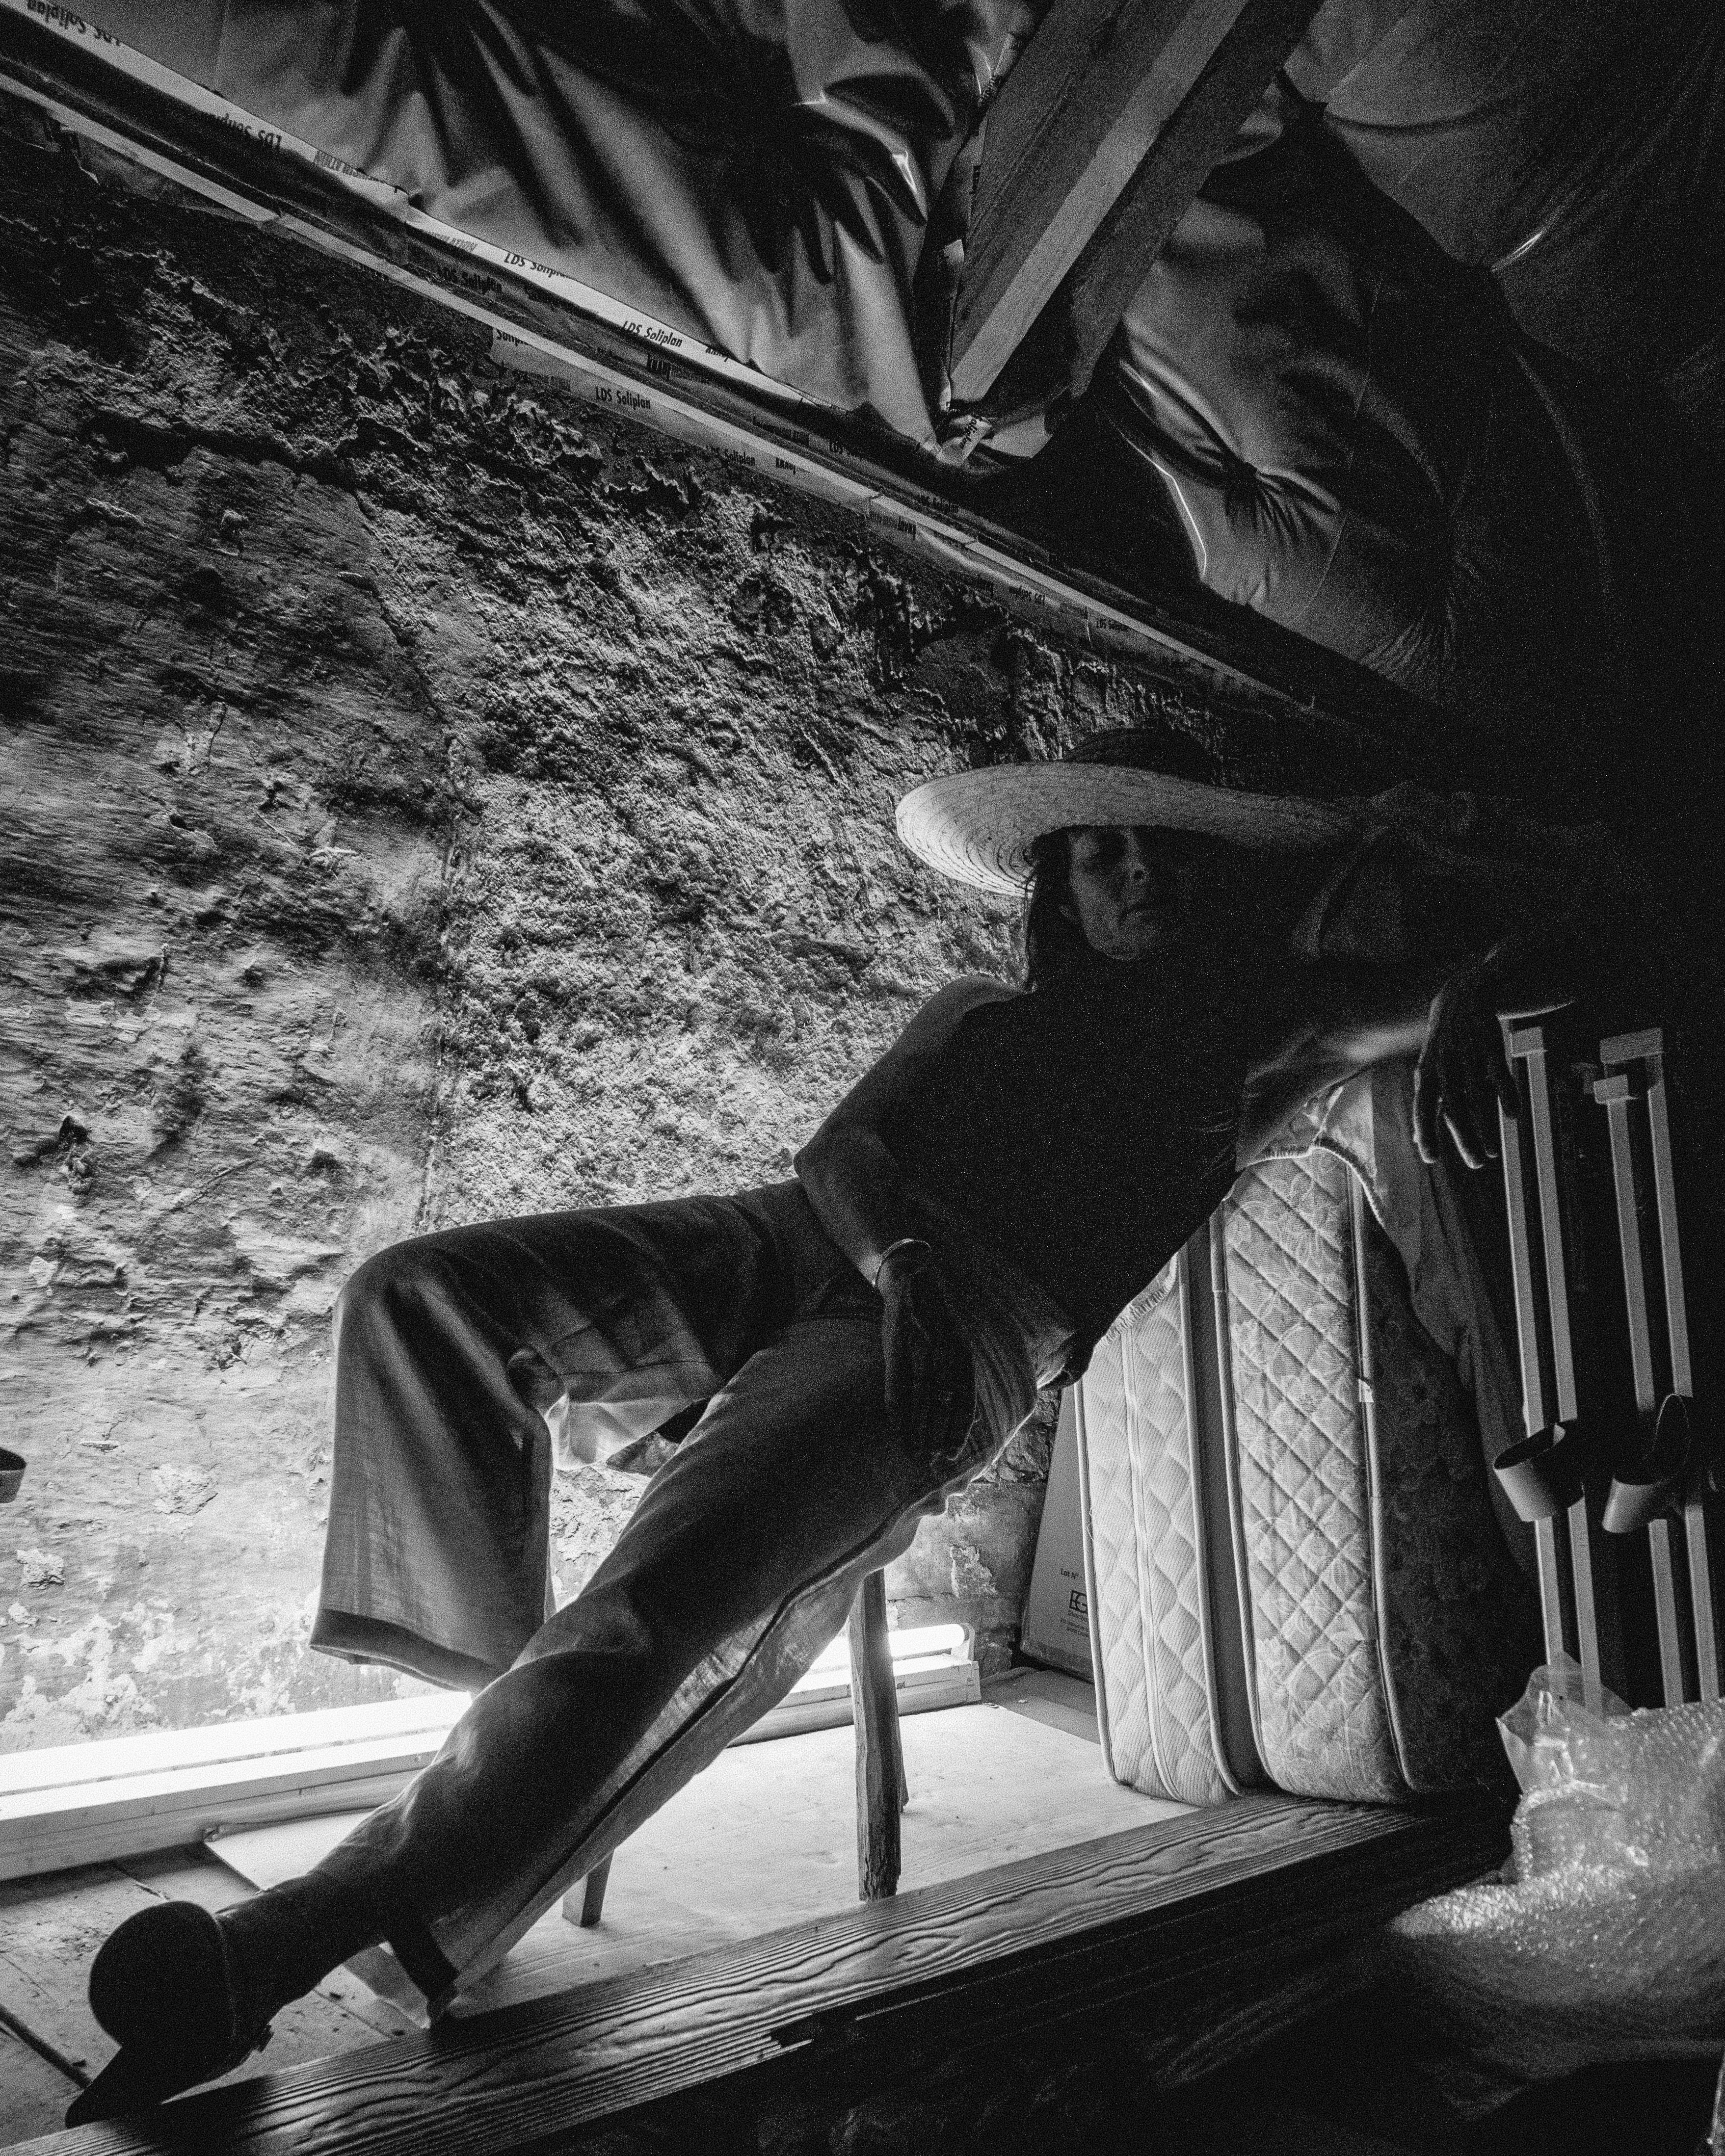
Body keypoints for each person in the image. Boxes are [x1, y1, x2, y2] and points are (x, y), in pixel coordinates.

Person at [66, 732, 1651, 2122]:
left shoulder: (1256, 1048)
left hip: (966, 1326)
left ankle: (282, 1942)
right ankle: (514, 1733)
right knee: (421, 1297)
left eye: (1152, 842)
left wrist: (1440, 926)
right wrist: (883, 1255)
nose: (1122, 872)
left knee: (646, 1614)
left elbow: (1505, 942)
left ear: (1202, 868)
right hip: (804, 1239)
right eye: (1088, 852)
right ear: (1056, 892)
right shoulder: (974, 1010)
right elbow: (841, 1152)